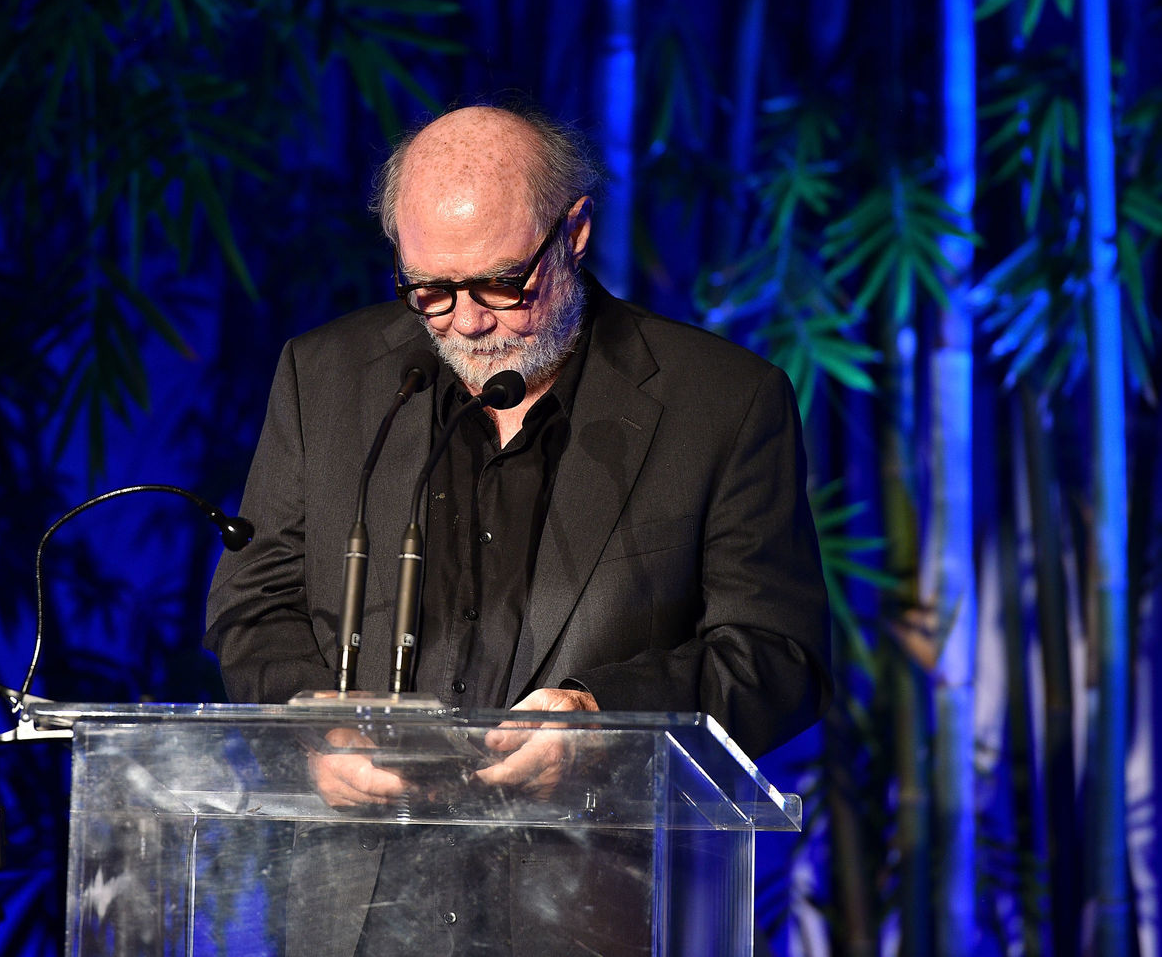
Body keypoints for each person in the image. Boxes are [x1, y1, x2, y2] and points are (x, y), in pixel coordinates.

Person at [204, 103, 832, 954]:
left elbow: (777, 653)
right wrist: (313, 723)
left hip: (593, 904)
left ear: (572, 230)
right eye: (430, 290)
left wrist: (604, 720)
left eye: (503, 282)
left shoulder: (720, 402)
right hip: (356, 907)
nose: (467, 321)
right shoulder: (326, 379)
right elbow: (254, 604)